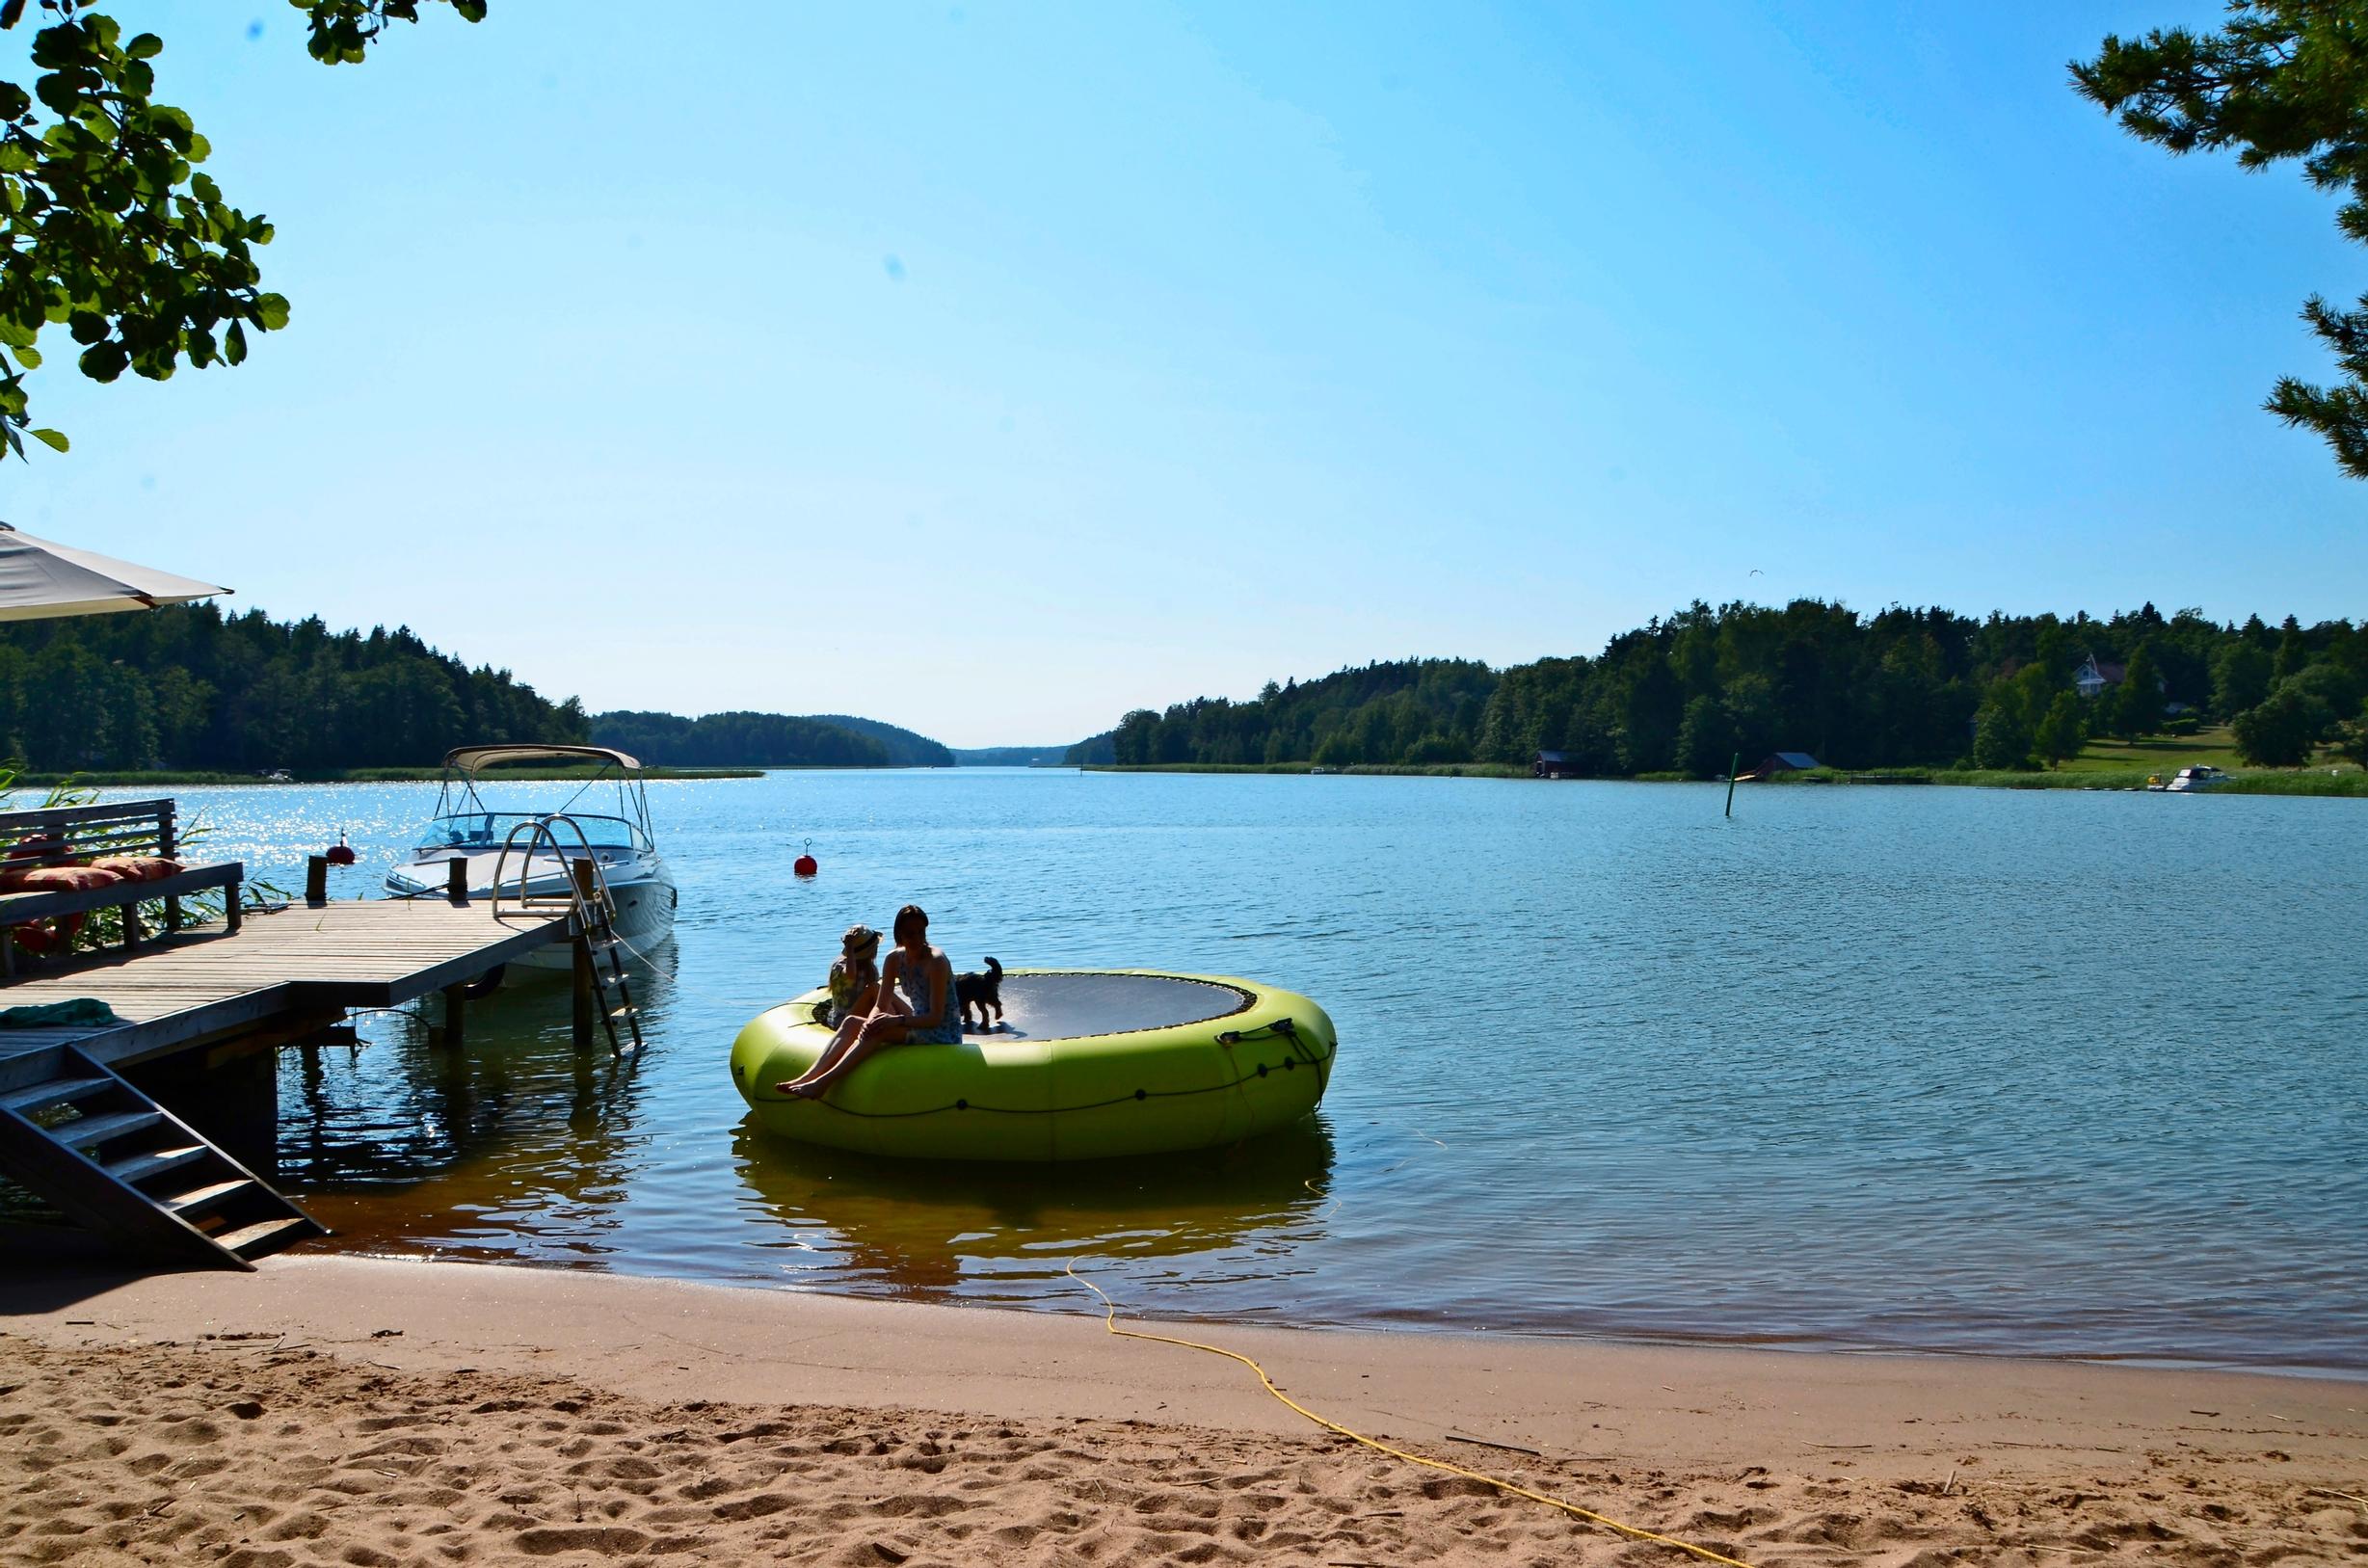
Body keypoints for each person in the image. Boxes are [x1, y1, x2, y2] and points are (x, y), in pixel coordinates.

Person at [778, 904, 959, 1100]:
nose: (916, 939)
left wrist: (894, 1020)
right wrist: (873, 1020)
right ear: (899, 934)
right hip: (915, 1023)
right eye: (910, 934)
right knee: (851, 1022)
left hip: (941, 1031)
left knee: (880, 1029)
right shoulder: (894, 959)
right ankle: (806, 1078)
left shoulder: (937, 961)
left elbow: (935, 1018)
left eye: (920, 932)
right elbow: (881, 1004)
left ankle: (822, 1083)